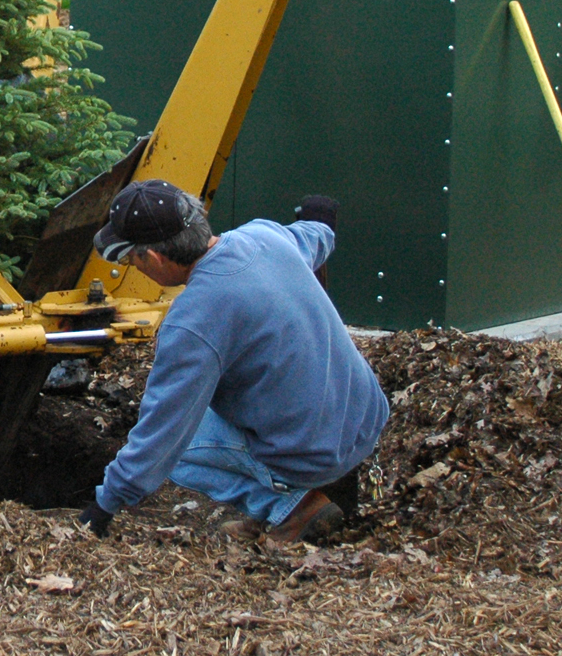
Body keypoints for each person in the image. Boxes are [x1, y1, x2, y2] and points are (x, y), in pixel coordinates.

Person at [76, 180, 388, 550]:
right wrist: (321, 217)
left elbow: (161, 435)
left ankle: (292, 508)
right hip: (365, 417)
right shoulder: (263, 237)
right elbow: (313, 237)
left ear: (155, 259)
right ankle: (275, 504)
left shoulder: (194, 318)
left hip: (317, 452)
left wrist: (102, 507)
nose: (133, 267)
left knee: (175, 451)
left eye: (131, 258)